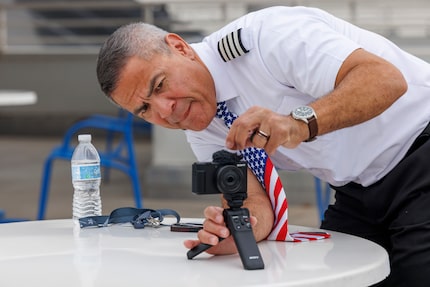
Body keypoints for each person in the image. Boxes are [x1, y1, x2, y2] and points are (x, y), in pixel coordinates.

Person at [96, 6, 430, 286]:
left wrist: (299, 123)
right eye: (145, 109)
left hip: (420, 146)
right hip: (359, 188)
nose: (164, 110)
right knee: (339, 279)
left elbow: (386, 79)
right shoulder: (200, 124)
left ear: (179, 47)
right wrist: (236, 230)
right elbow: (257, 205)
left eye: (160, 85)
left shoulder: (267, 39)